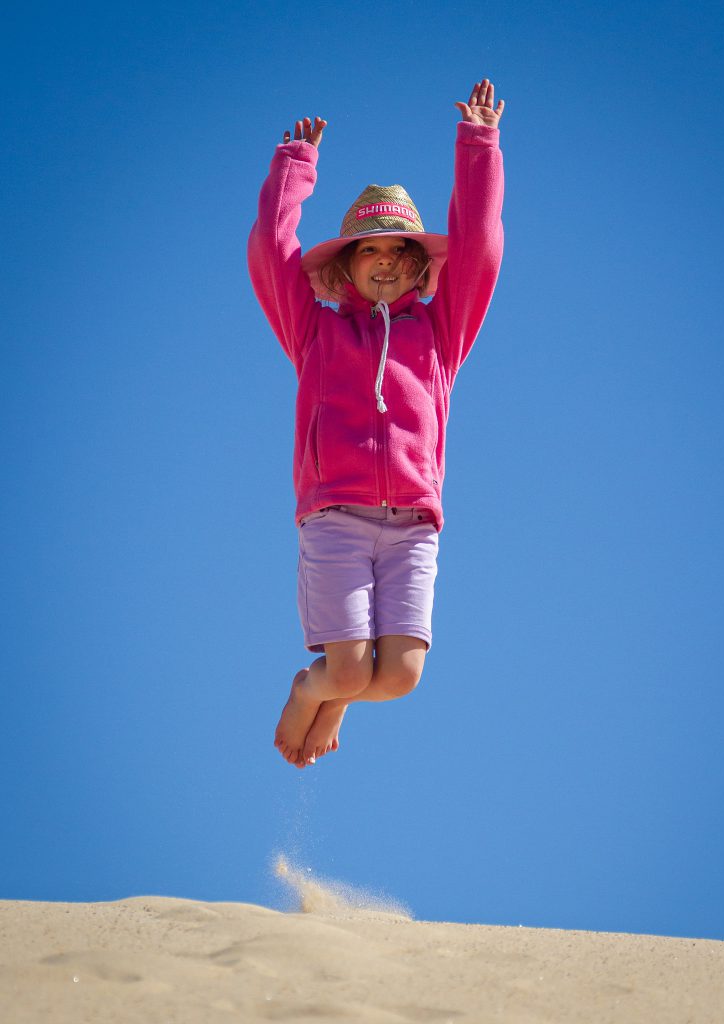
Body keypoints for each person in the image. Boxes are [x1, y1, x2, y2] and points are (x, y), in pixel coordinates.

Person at [248, 79, 505, 768]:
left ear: (420, 266)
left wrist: (478, 144)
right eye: (368, 250)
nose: (385, 259)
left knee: (396, 679)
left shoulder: (439, 336)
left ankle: (332, 693)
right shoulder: (314, 335)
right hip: (335, 516)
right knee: (348, 670)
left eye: (398, 250)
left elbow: (479, 249)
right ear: (345, 269)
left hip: (413, 522)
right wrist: (294, 166)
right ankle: (312, 690)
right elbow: (272, 256)